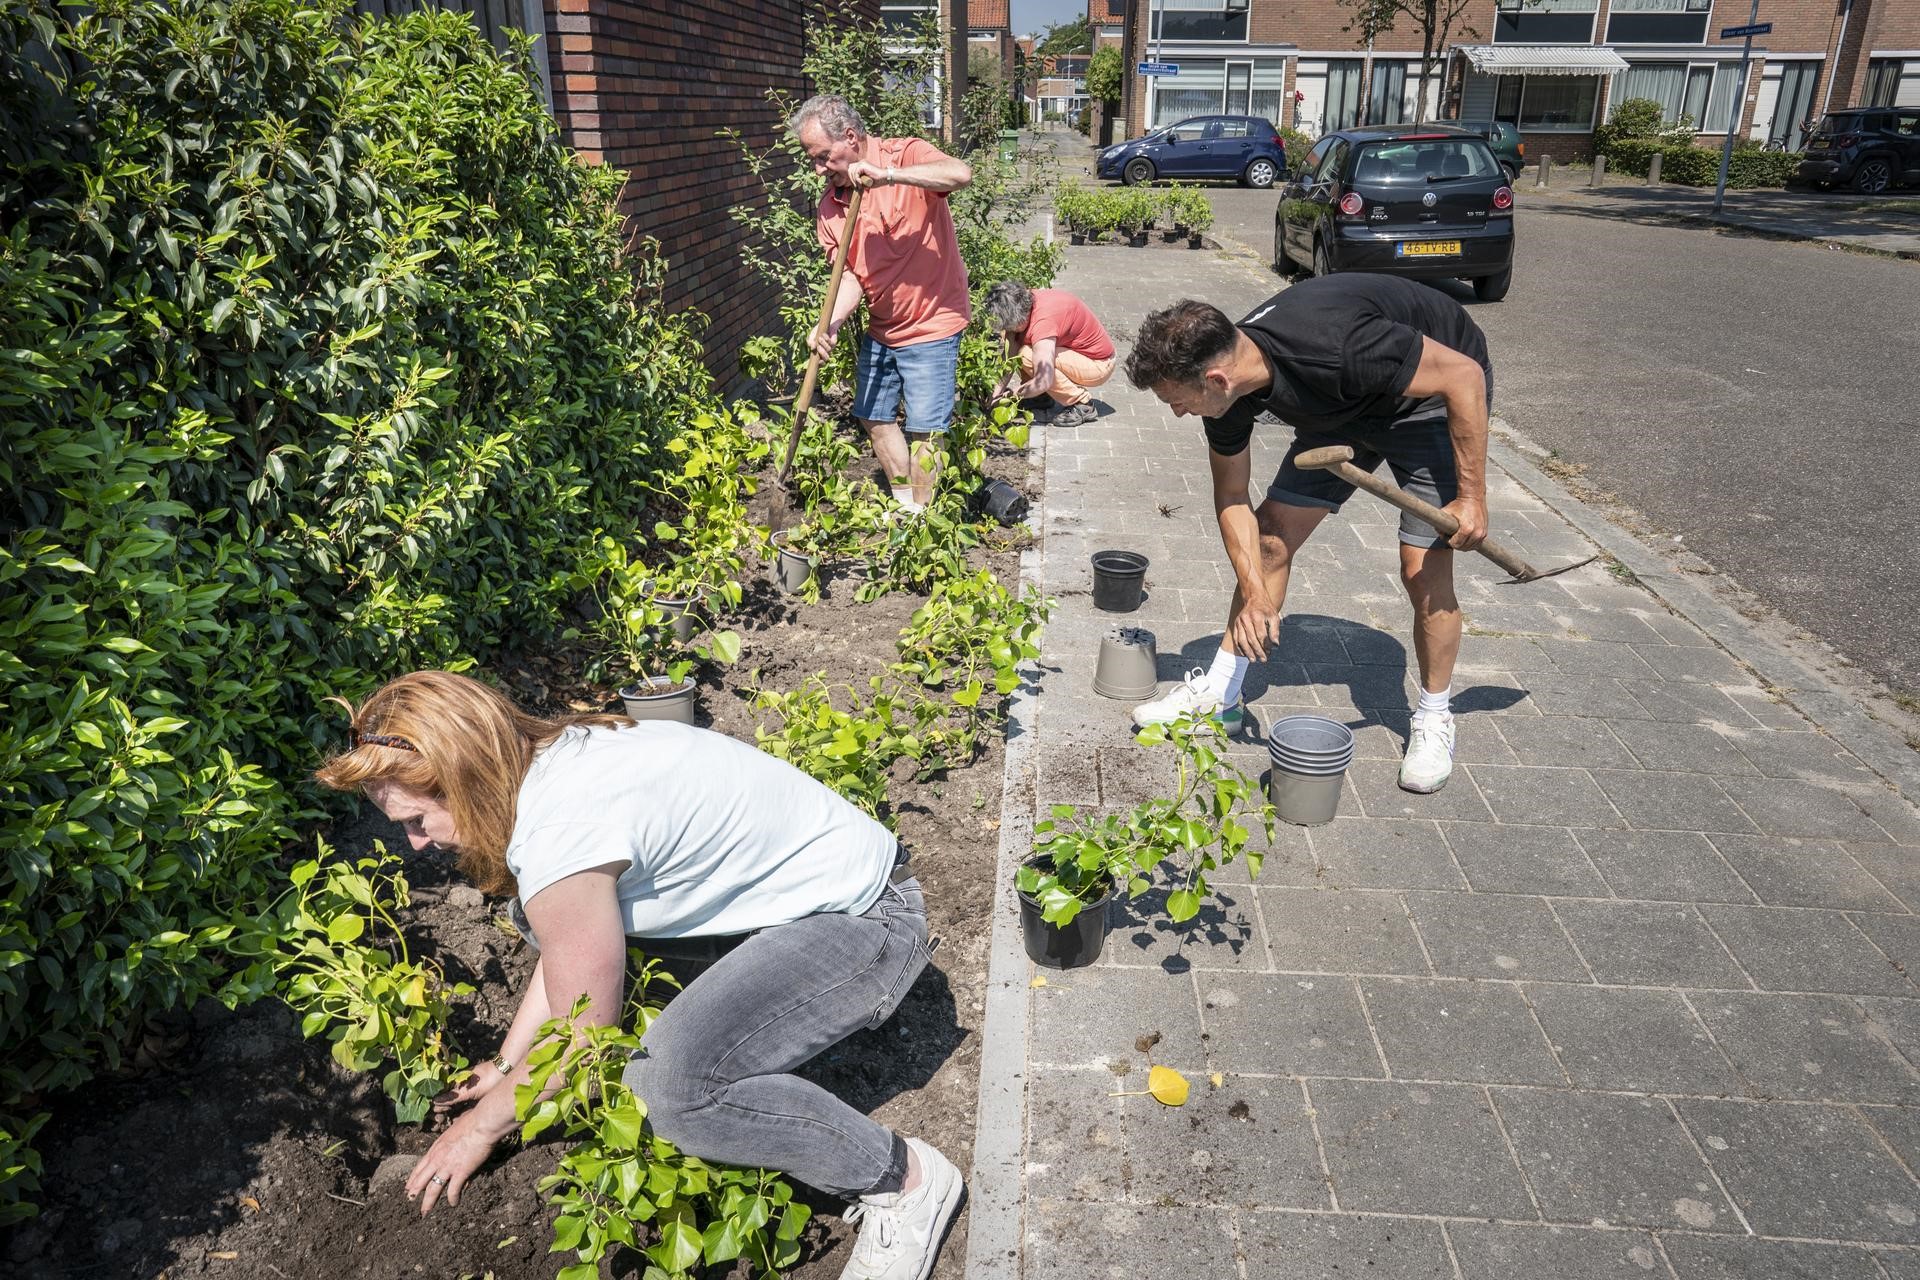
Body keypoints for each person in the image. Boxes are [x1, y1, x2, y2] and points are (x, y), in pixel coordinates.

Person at [313, 671, 964, 1280]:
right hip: (803, 899)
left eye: (416, 822)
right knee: (540, 920)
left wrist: (480, 1126)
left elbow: (583, 1039)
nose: (417, 845)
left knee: (672, 1086)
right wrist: (509, 1064)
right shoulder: (557, 755)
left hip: (865, 923)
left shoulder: (560, 833)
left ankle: (900, 1179)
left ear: (464, 778)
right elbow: (568, 945)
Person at [1124, 274, 1493, 794]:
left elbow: (1464, 375)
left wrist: (1472, 498)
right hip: (1344, 408)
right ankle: (1221, 694)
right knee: (1270, 537)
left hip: (1430, 400)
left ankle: (1434, 718)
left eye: (1177, 401)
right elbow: (1233, 499)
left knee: (1421, 569)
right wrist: (1254, 594)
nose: (1178, 412)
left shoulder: (1335, 346)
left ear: (1216, 380)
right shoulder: (1231, 393)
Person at [791, 94, 972, 514]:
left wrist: (889, 176)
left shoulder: (905, 154)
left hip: (933, 322)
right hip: (883, 325)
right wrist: (830, 324)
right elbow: (853, 274)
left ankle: (922, 523)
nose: (819, 168)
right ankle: (906, 506)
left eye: (823, 157)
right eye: (812, 160)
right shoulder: (831, 206)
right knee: (873, 416)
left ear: (851, 138)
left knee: (926, 431)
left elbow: (959, 174)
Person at [982, 280, 1115, 427]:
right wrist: (996, 394)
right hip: (1073, 353)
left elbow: (1043, 381)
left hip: (1099, 364)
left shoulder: (1043, 323)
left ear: (1018, 318)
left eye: (1007, 325)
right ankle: (1040, 398)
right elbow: (1009, 358)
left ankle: (1082, 403)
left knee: (1026, 355)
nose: (1006, 329)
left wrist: (1010, 395)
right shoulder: (1021, 301)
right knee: (1022, 351)